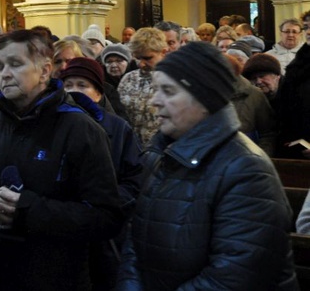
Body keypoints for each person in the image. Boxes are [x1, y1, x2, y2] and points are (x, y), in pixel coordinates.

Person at [117, 42, 297, 290]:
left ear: (203, 98)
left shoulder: (247, 170)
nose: (154, 101)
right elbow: (135, 242)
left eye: (168, 91)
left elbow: (235, 275)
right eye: (157, 90)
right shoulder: (161, 155)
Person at [0, 30, 123, 291]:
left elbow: (105, 217)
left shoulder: (80, 128)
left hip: (56, 275)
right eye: (0, 66)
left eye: (16, 64)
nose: (4, 73)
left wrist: (27, 210)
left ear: (45, 70)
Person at [58, 58, 142, 290]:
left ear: (98, 92)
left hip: (106, 236)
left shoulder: (118, 128)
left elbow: (133, 180)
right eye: (68, 85)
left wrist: (107, 206)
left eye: (82, 85)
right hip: (63, 231)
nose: (74, 91)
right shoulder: (52, 125)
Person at [118, 27, 168, 145]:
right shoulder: (128, 79)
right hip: (131, 149)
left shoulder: (174, 81)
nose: (141, 64)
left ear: (163, 52)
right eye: (137, 58)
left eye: (147, 58)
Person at [274, 11, 310, 158]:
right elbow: (286, 104)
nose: (309, 32)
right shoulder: (299, 62)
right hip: (299, 144)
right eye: (307, 27)